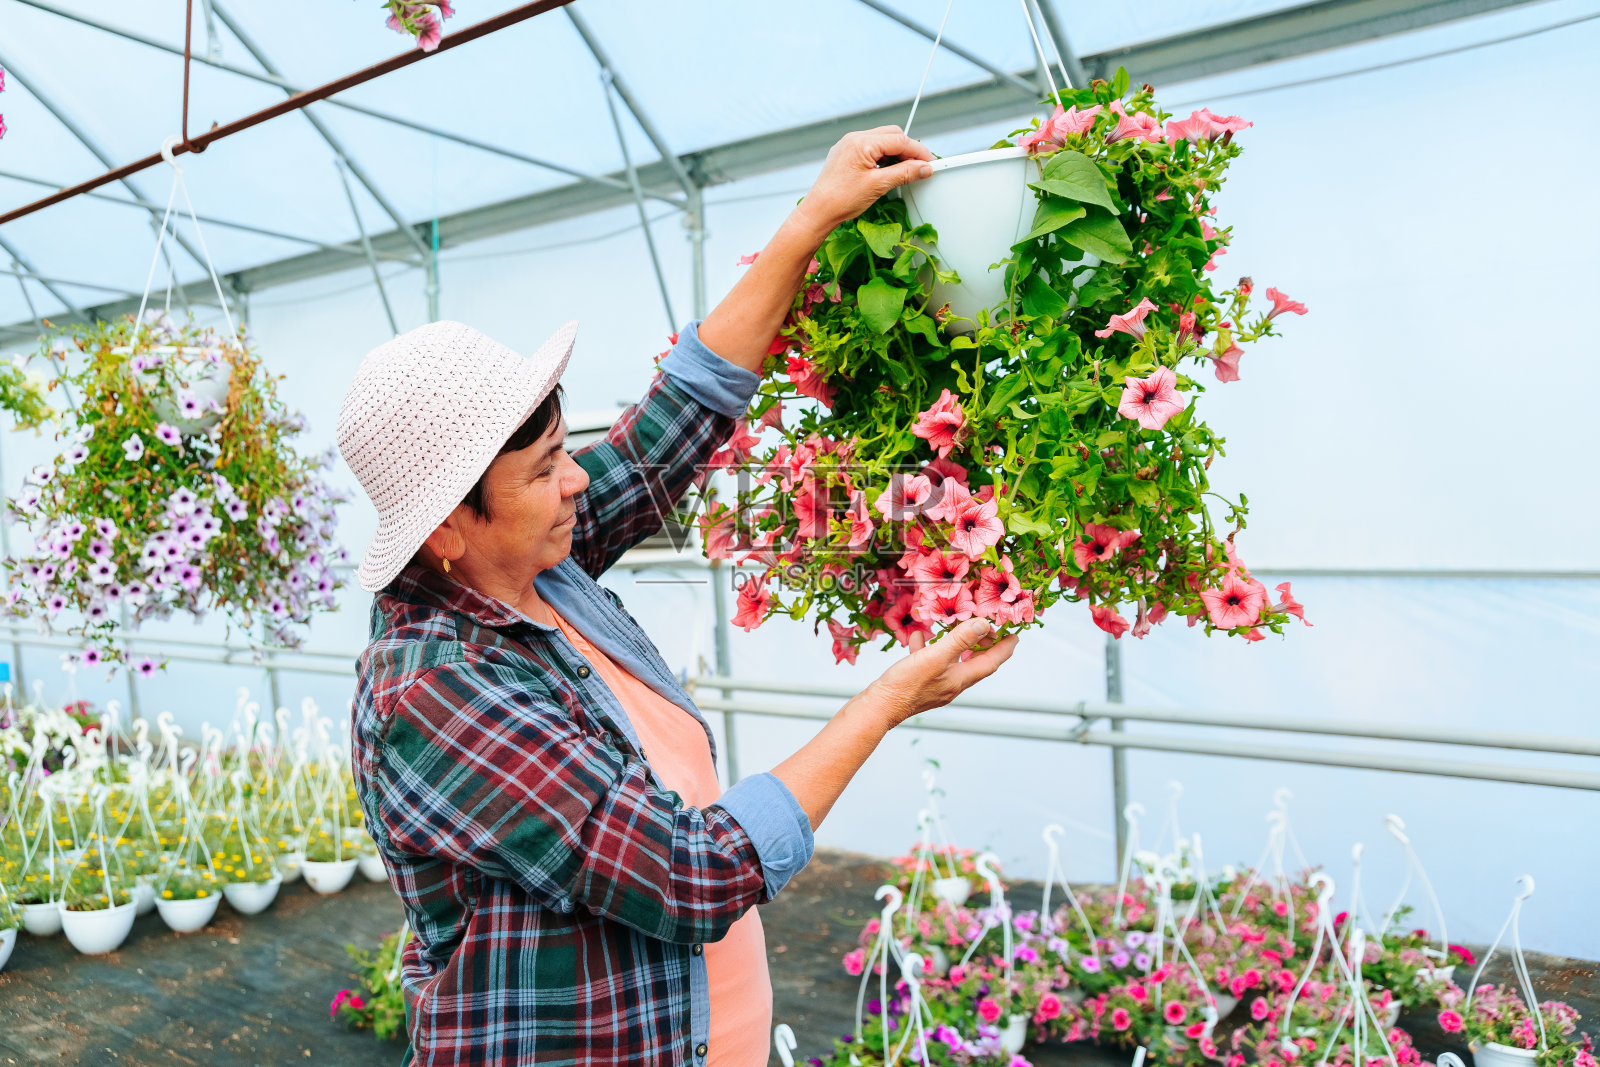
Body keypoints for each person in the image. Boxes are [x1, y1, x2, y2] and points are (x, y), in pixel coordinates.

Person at [336, 126, 1019, 1067]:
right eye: (545, 470)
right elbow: (689, 872)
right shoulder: (435, 689)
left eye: (565, 451)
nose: (576, 480)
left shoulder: (537, 565)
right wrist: (890, 700)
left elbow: (671, 426)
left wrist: (813, 217)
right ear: (448, 529)